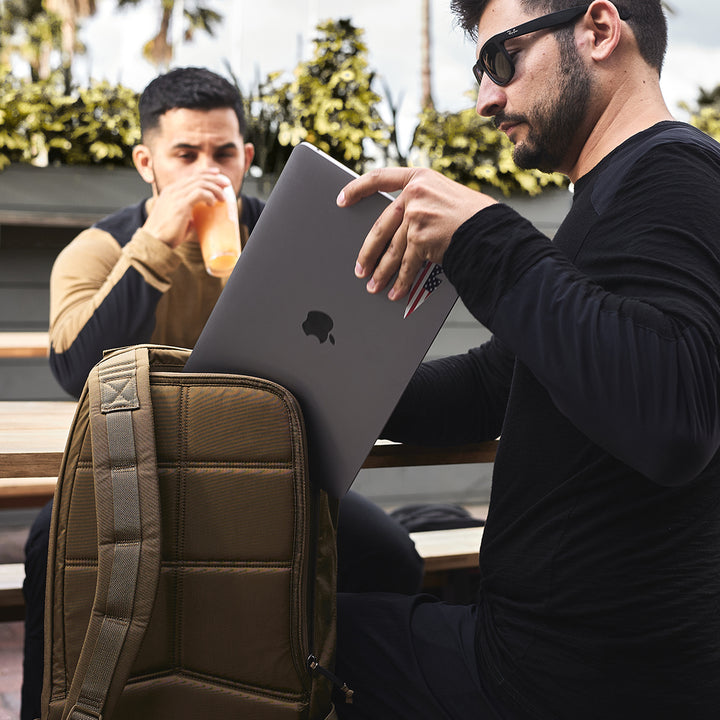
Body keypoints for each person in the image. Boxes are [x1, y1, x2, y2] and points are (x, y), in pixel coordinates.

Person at [332, 1, 720, 718]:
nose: (486, 99)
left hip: (573, 678)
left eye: (502, 60)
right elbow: (495, 383)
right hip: (563, 657)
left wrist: (483, 235)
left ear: (599, 30)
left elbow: (674, 419)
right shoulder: (618, 198)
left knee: (278, 637)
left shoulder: (672, 179)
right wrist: (319, 382)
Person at [22, 66, 422, 720]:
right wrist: (155, 244)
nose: (208, 170)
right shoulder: (98, 249)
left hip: (268, 468)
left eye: (223, 153)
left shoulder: (290, 238)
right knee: (49, 548)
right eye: (186, 155)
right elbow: (73, 367)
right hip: (134, 467)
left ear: (248, 158)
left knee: (390, 558)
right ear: (147, 163)